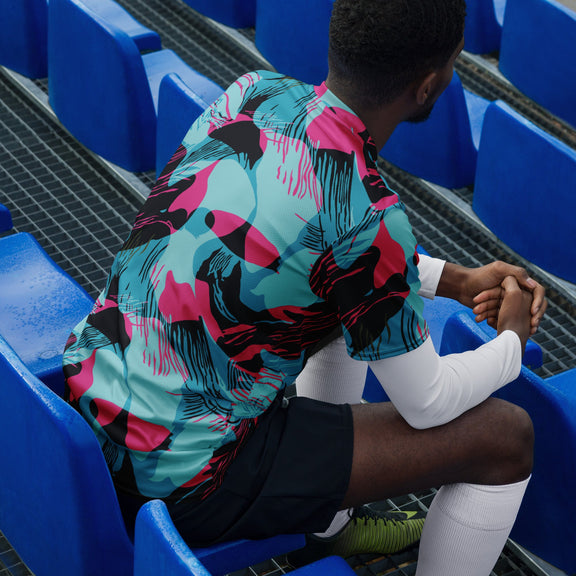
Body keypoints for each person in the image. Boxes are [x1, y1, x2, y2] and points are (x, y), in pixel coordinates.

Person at [62, 0, 548, 574]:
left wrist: (454, 280)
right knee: (505, 437)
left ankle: (330, 533)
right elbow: (427, 402)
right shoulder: (368, 215)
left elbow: (322, 250)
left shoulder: (253, 93)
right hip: (186, 477)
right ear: (427, 86)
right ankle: (324, 525)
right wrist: (511, 341)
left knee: (340, 309)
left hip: (94, 402)